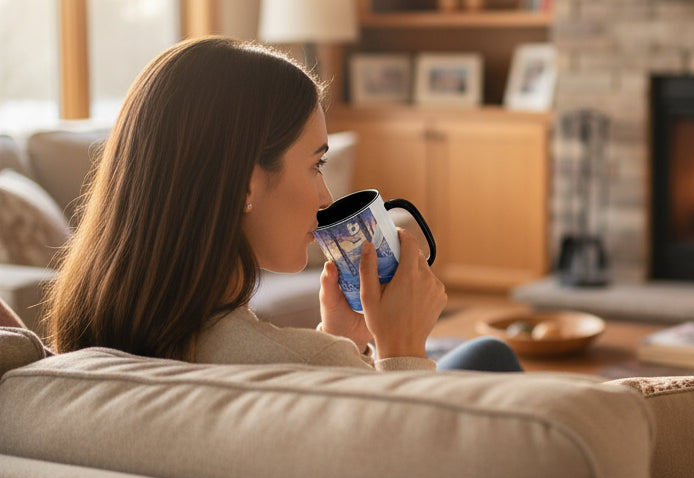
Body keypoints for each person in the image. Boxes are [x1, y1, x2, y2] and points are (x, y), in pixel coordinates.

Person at [43, 37, 520, 373]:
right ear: (244, 188)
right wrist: (403, 350)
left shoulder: (82, 343)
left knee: (479, 356)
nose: (326, 198)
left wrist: (340, 341)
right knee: (490, 356)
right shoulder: (304, 364)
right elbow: (415, 470)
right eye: (316, 166)